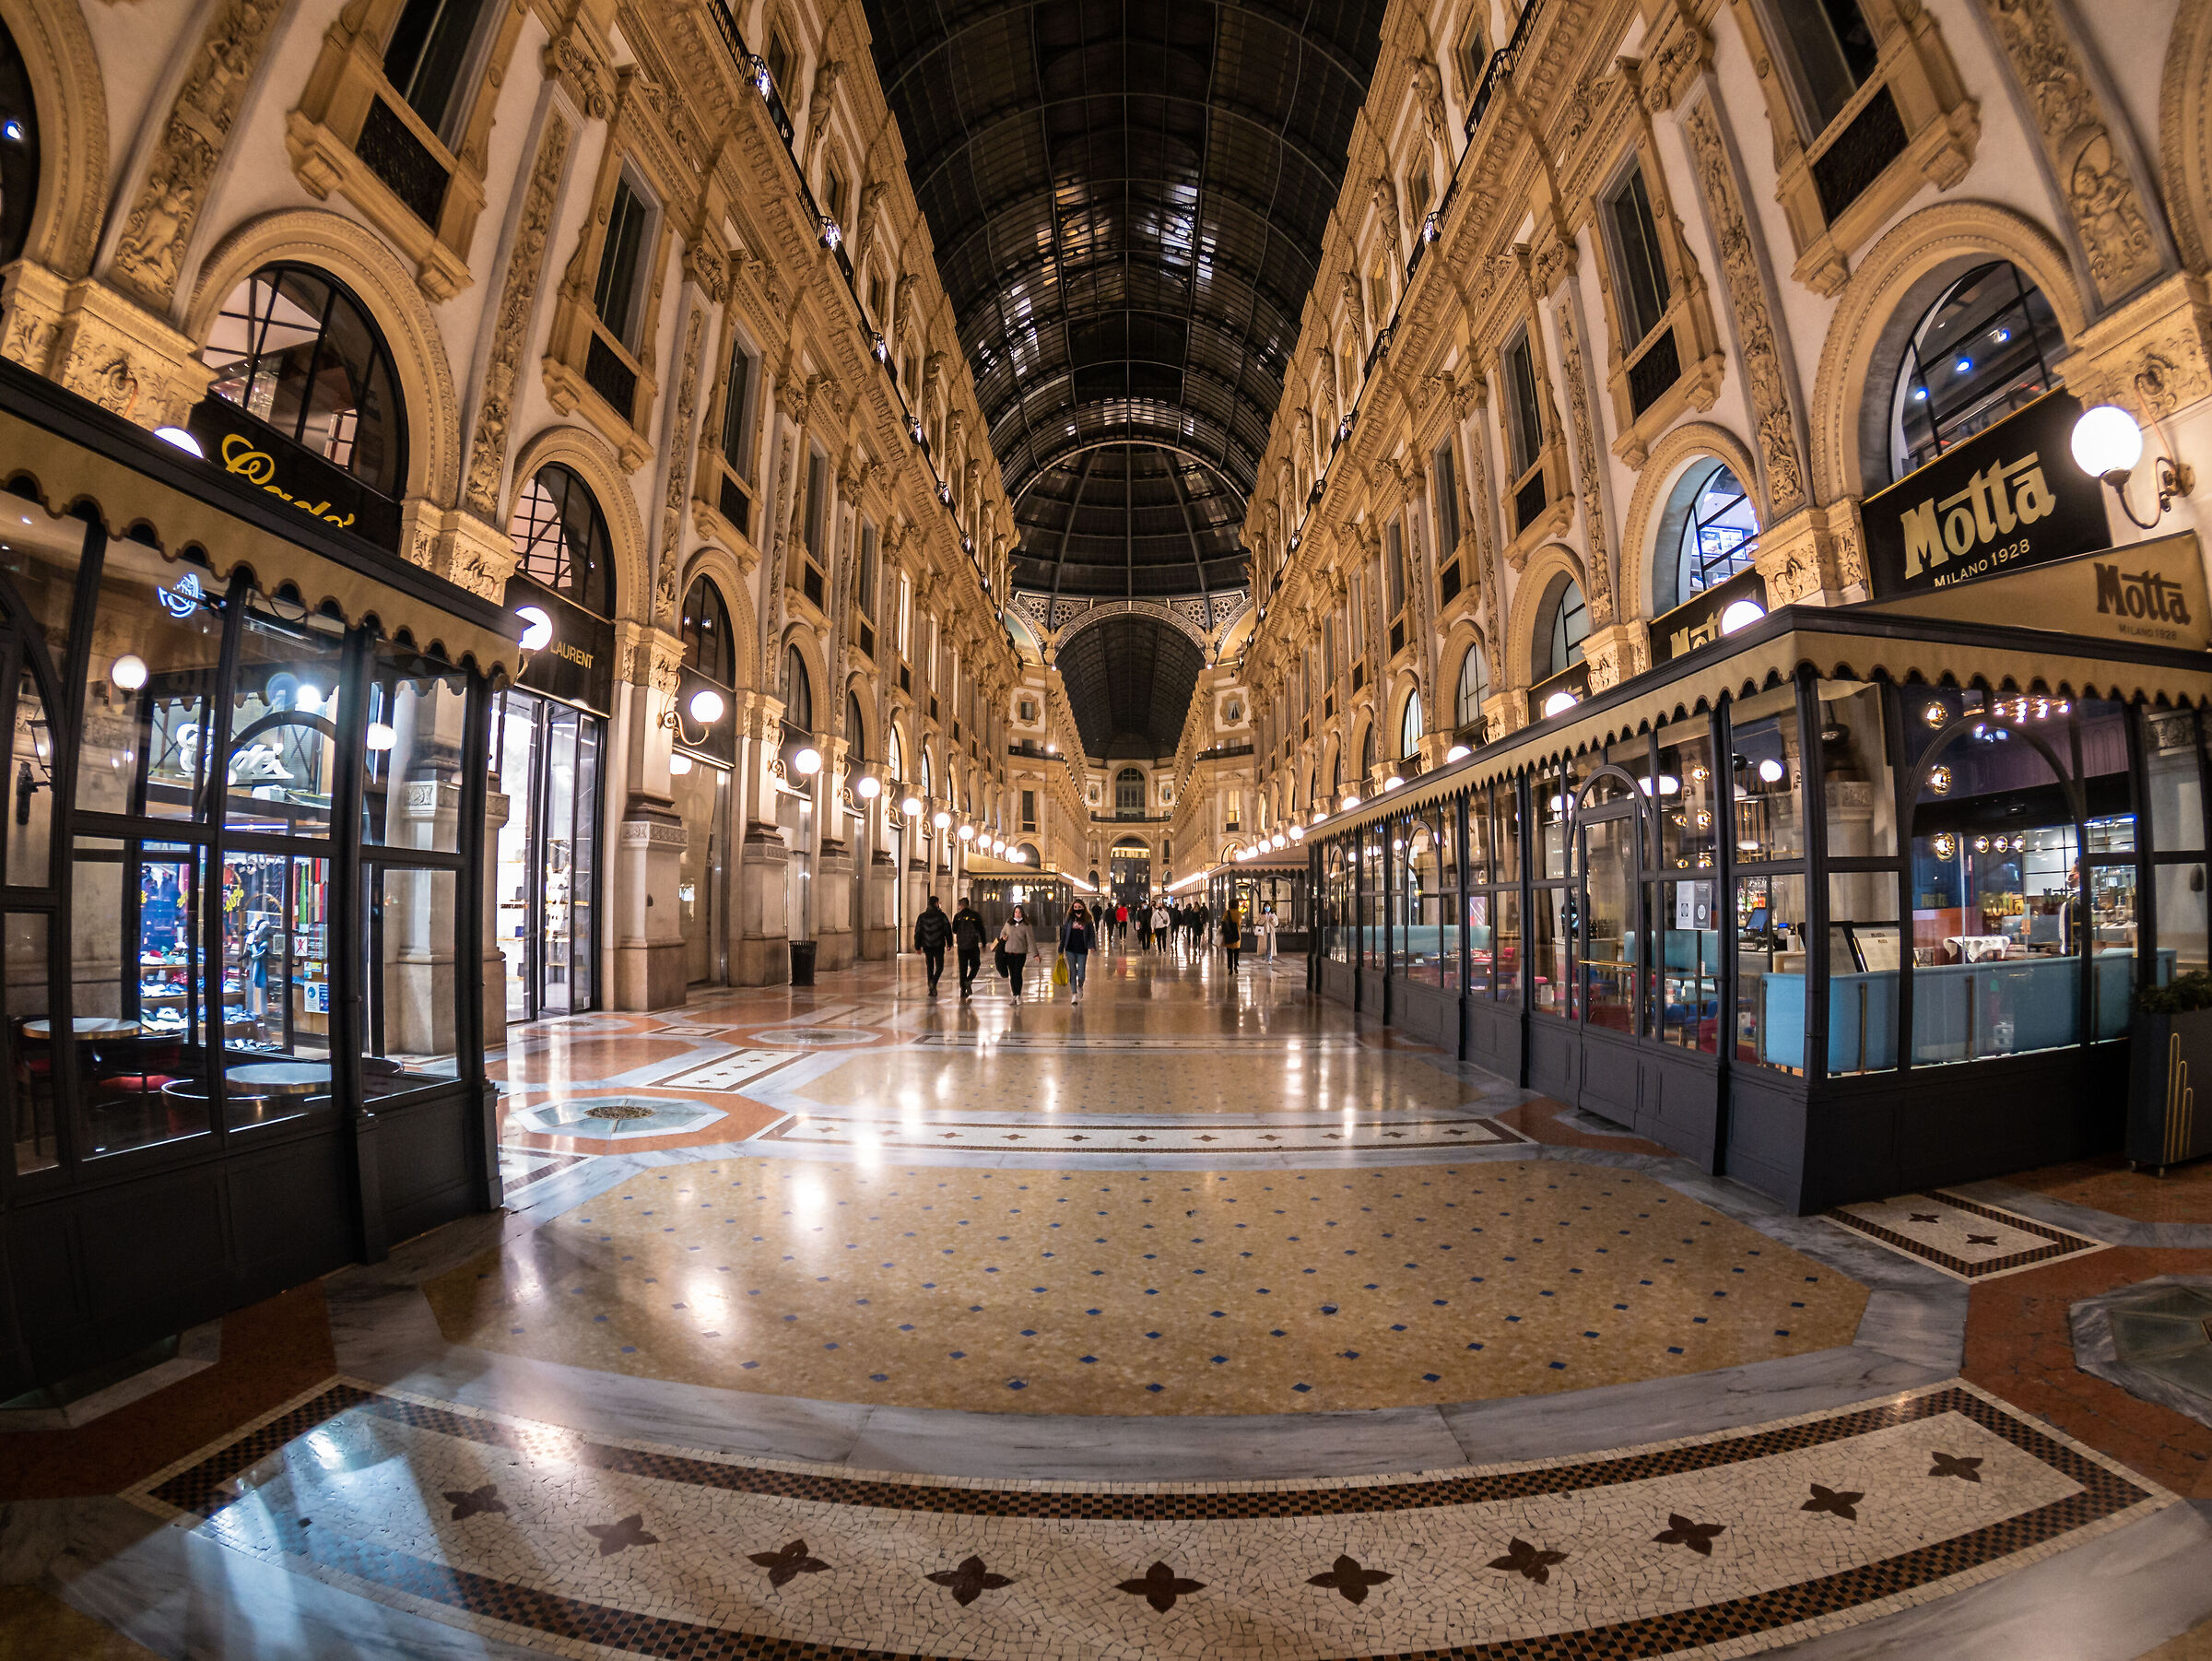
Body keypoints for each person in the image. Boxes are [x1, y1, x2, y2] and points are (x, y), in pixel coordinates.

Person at [912, 895, 952, 994]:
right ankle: (933, 983)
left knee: (930, 967)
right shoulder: (942, 916)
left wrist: (917, 946)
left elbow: (917, 932)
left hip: (927, 945)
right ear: (936, 903)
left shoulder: (922, 917)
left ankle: (931, 988)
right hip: (938, 945)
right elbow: (947, 930)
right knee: (940, 967)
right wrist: (949, 943)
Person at [951, 893, 987, 998]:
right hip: (973, 945)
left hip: (962, 946)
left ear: (960, 906)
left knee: (962, 968)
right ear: (968, 905)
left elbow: (954, 930)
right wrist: (984, 943)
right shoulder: (975, 915)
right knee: (975, 965)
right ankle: (969, 980)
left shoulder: (957, 916)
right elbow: (981, 929)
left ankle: (963, 990)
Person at [1061, 900, 1096, 1004]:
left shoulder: (1088, 920)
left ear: (1083, 907)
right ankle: (1074, 994)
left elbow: (1091, 934)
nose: (1077, 909)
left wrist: (1092, 945)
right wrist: (1061, 947)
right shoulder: (1069, 919)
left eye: (1079, 907)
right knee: (1073, 972)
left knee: (1081, 974)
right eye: (1075, 907)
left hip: (1082, 949)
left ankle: (1080, 986)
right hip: (1070, 949)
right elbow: (1064, 933)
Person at [997, 904, 1035, 999]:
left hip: (1020, 953)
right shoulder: (1009, 923)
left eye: (1019, 912)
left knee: (1018, 973)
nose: (1017, 914)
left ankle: (1018, 994)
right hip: (1009, 952)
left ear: (1022, 913)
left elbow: (1031, 940)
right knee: (1012, 975)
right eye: (1016, 912)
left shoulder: (1026, 925)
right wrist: (1003, 937)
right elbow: (1002, 932)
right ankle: (1014, 994)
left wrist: (1035, 954)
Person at [1222, 902, 1243, 973]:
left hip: (1229, 934)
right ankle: (1236, 966)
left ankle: (1230, 968)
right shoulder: (1239, 913)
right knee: (1236, 952)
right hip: (1237, 934)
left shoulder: (1227, 913)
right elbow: (1240, 922)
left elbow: (1223, 921)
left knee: (1229, 953)